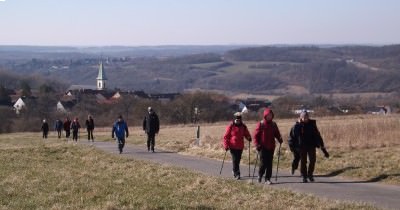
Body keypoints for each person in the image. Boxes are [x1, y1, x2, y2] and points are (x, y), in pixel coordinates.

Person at [289, 111, 329, 183]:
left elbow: (318, 136)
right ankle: (304, 176)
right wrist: (292, 147)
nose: (305, 119)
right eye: (304, 117)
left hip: (311, 145)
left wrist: (323, 149)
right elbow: (292, 136)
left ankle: (310, 174)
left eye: (306, 117)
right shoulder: (297, 126)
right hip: (301, 146)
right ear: (301, 118)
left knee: (312, 160)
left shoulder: (312, 125)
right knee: (303, 161)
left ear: (308, 117)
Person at [253, 108, 283, 185]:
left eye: (271, 115)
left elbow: (277, 133)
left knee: (269, 164)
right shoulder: (261, 124)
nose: (269, 117)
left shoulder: (273, 124)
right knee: (263, 163)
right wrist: (257, 145)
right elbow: (255, 136)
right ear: (265, 116)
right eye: (268, 115)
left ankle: (268, 179)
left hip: (271, 146)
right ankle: (260, 175)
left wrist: (279, 139)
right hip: (262, 147)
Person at [222, 112, 252, 180]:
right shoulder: (231, 126)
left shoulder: (243, 126)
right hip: (232, 146)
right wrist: (226, 146)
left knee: (237, 160)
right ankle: (237, 174)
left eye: (239, 120)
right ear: (234, 119)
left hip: (240, 146)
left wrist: (249, 138)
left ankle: (234, 170)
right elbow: (226, 137)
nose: (238, 121)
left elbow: (246, 134)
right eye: (237, 120)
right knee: (235, 160)